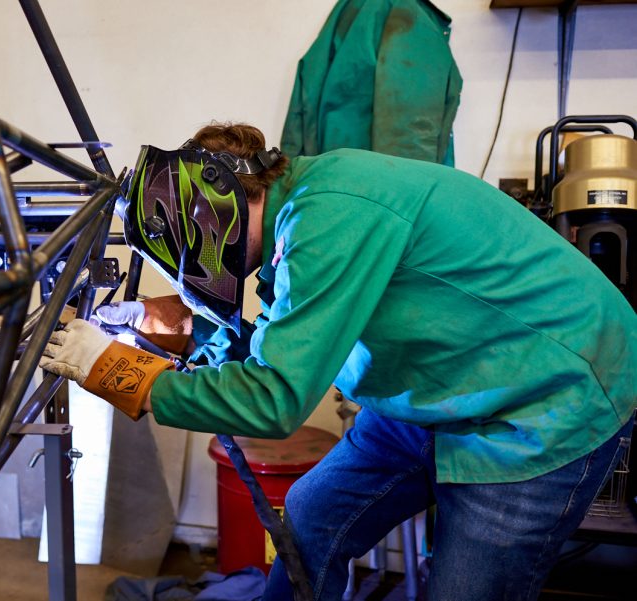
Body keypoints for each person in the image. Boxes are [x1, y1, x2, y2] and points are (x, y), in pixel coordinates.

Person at [40, 123, 636, 600]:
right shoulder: (295, 216)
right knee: (311, 515)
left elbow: (274, 400)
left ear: (215, 206)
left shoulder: (327, 214)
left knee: (465, 589)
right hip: (434, 395)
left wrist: (120, 374)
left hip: (540, 405)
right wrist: (189, 332)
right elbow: (288, 342)